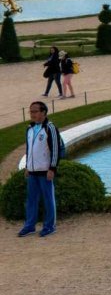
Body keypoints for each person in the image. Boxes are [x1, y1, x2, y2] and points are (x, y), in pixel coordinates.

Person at [17, 102, 60, 238]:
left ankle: (49, 226)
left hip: (45, 170)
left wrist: (52, 168)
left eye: (35, 111)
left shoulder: (50, 128)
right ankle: (29, 226)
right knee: (31, 200)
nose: (32, 114)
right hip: (32, 171)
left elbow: (55, 150)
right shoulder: (29, 129)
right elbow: (29, 149)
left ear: (43, 112)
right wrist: (27, 167)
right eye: (31, 112)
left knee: (48, 199)